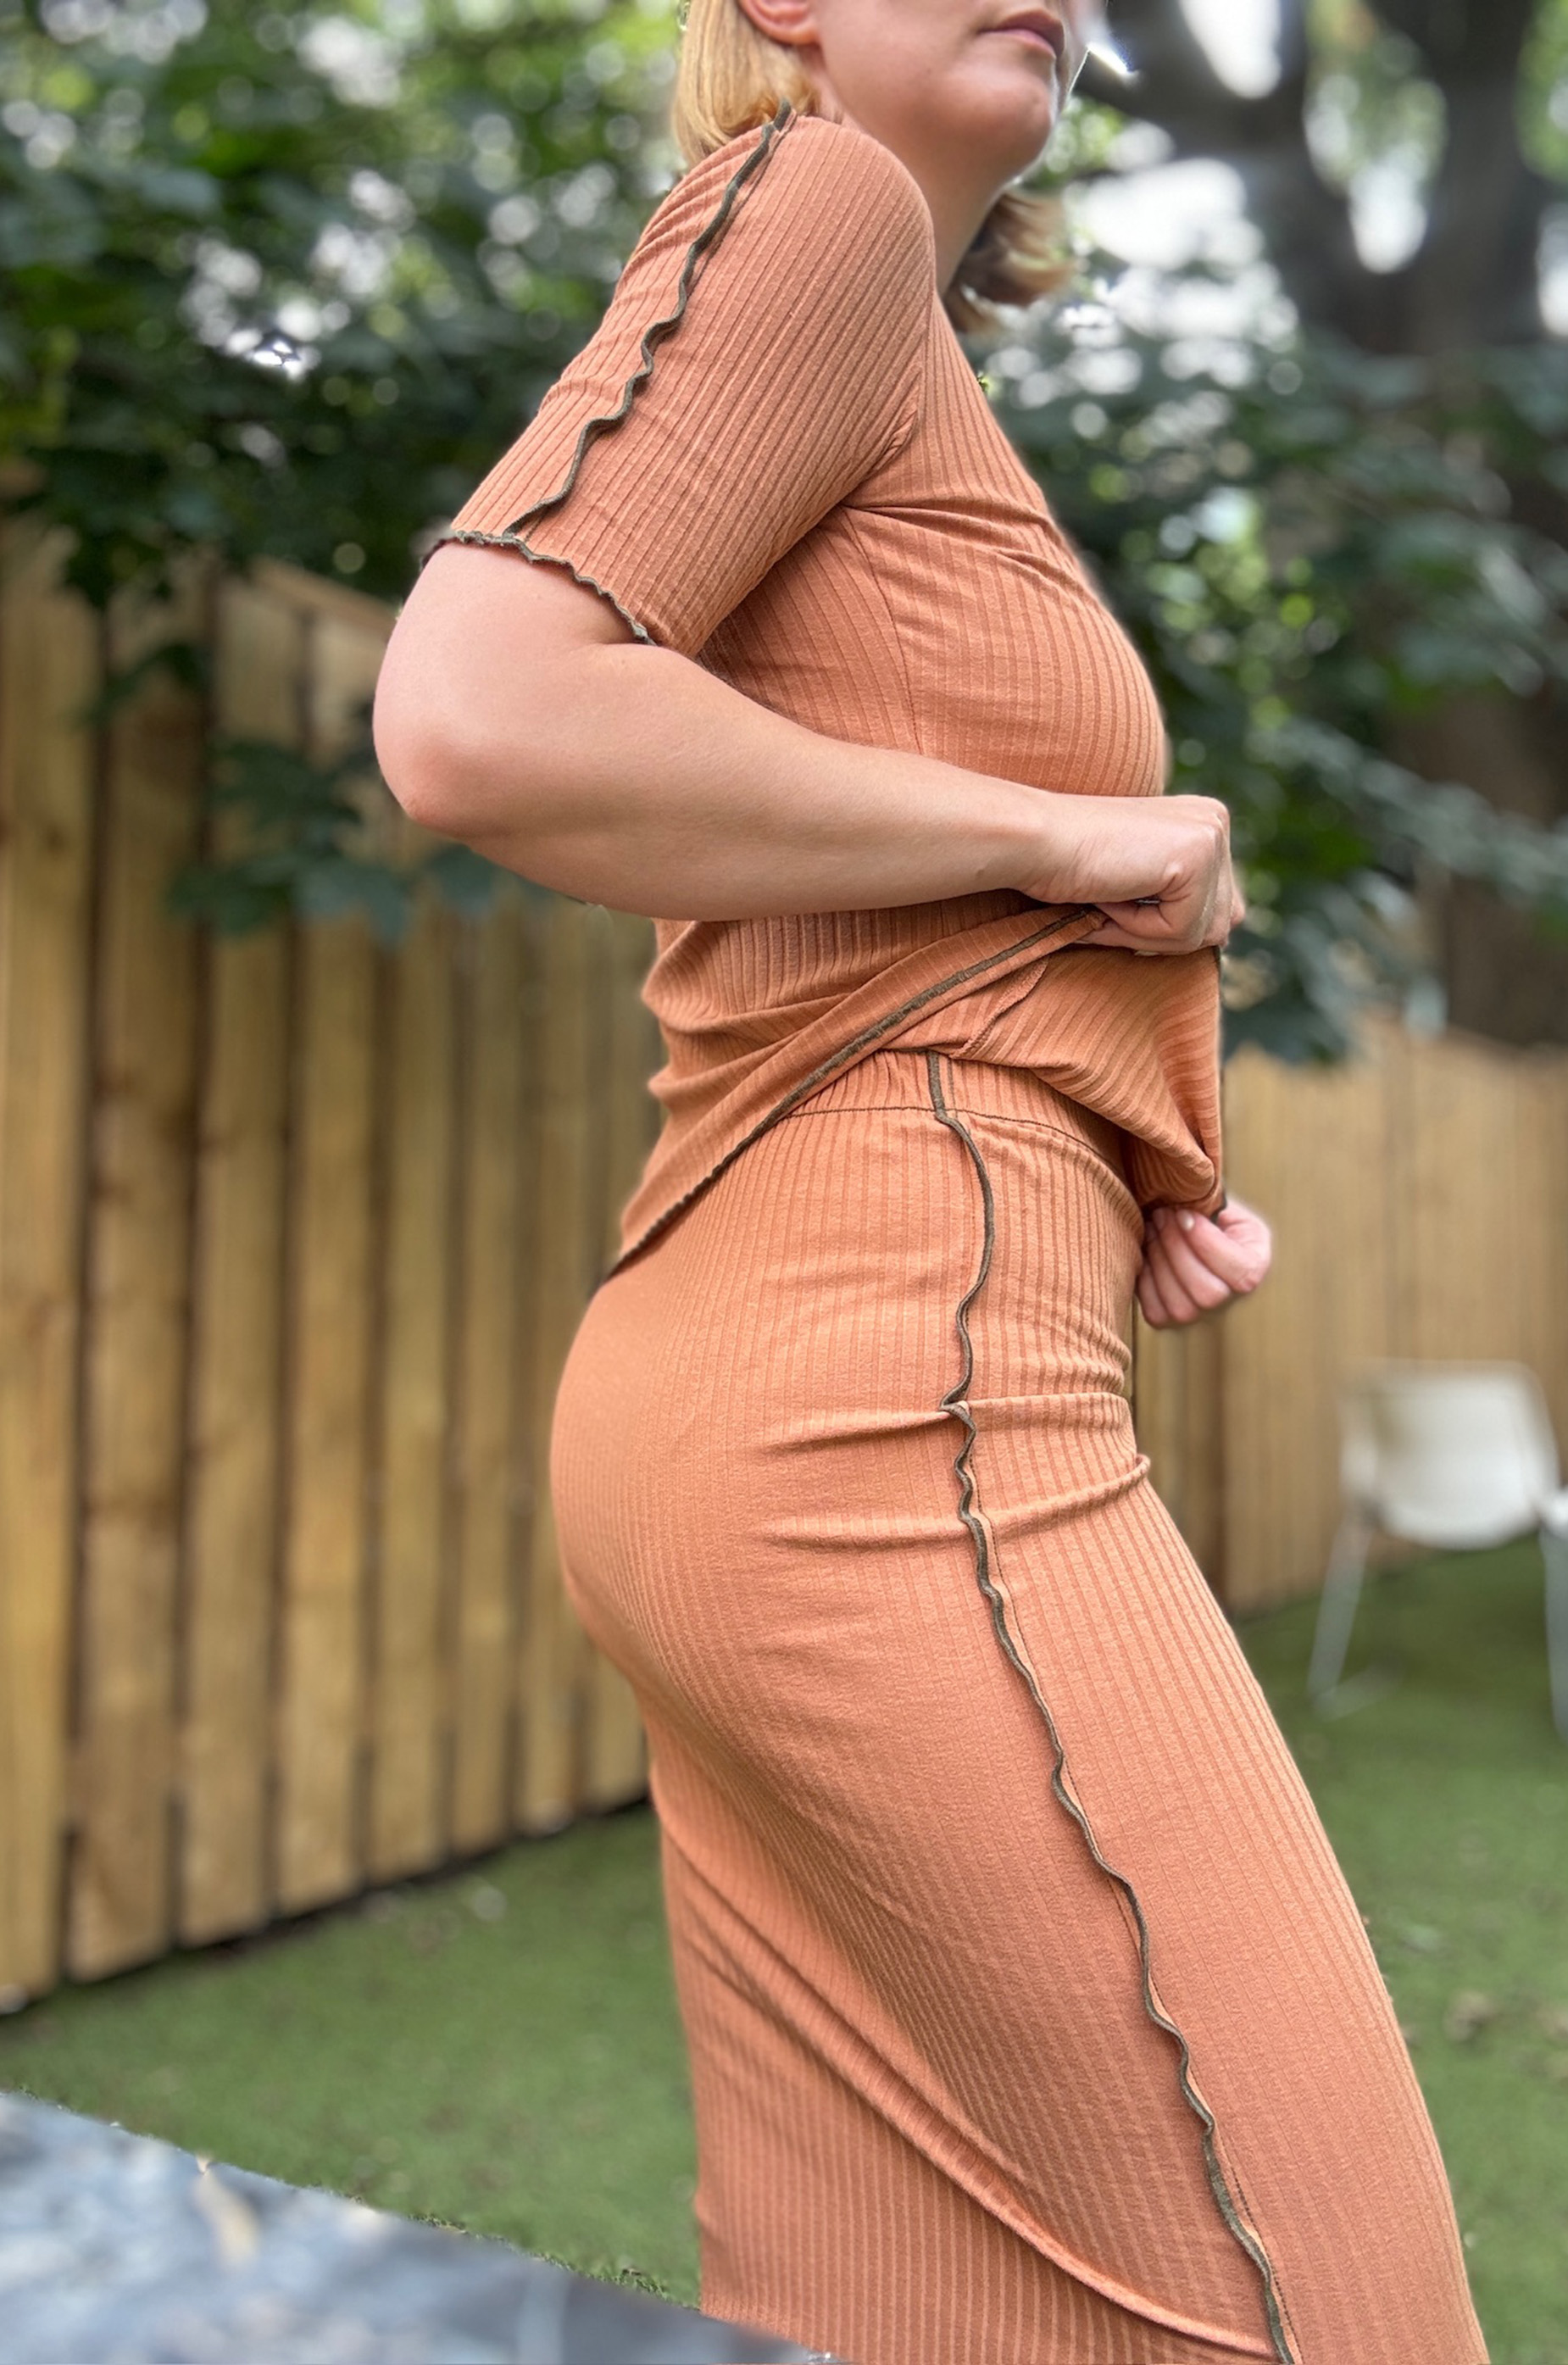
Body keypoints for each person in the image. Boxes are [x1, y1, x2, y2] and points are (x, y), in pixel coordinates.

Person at [372, 3, 1485, 2358]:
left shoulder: (882, 332)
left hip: (785, 1368)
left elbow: (809, 875)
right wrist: (1067, 836)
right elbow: (481, 713)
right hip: (871, 1409)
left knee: (893, 2311)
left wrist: (1104, 1138)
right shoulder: (819, 200)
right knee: (1342, 2308)